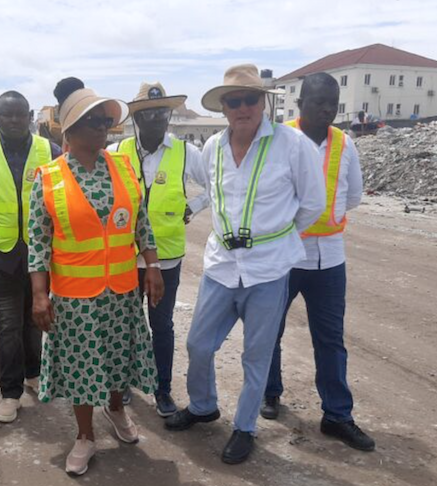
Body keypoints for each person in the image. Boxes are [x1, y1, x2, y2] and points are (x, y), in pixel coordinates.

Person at [163, 64, 326, 465]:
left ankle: (245, 427)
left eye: (249, 99)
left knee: (256, 355)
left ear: (264, 101)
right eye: (232, 101)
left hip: (268, 270)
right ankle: (203, 406)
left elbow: (312, 205)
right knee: (198, 344)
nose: (242, 107)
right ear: (223, 106)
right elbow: (213, 196)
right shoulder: (213, 147)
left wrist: (274, 237)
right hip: (221, 267)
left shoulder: (294, 145)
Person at [29, 77, 164, 476]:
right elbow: (37, 243)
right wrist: (39, 295)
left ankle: (117, 408)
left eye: (105, 121)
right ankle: (85, 435)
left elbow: (141, 224)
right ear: (69, 130)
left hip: (121, 290)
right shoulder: (49, 178)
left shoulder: (123, 167)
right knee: (82, 367)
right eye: (93, 122)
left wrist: (152, 267)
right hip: (74, 296)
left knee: (117, 359)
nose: (102, 128)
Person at [261, 72, 374, 451]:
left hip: (330, 261)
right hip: (286, 257)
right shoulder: (279, 141)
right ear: (300, 104)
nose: (327, 110)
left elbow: (354, 196)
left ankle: (337, 415)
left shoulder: (345, 145)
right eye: (318, 102)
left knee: (330, 340)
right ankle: (270, 393)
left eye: (333, 103)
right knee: (270, 331)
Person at [107, 82, 210, 416]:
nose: (156, 118)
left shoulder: (185, 152)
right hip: (124, 255)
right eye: (148, 112)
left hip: (165, 257)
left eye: (162, 112)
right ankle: (119, 385)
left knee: (161, 325)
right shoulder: (115, 152)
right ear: (136, 117)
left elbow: (215, 183)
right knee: (122, 323)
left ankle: (162, 389)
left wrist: (192, 206)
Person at [0, 91, 62, 424]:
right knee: (7, 324)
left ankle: (33, 372)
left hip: (39, 252)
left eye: (21, 114)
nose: (15, 121)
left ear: (30, 115)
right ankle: (10, 392)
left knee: (35, 318)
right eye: (8, 115)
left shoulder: (49, 150)